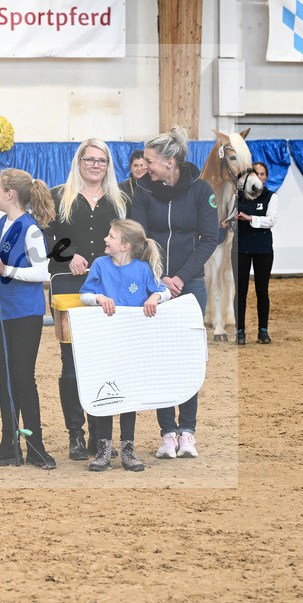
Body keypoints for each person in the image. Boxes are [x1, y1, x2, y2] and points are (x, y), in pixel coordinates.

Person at [130, 126, 218, 459]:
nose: (144, 166)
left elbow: (209, 239)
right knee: (160, 358)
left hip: (190, 284)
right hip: (154, 284)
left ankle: (188, 432)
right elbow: (139, 238)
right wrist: (159, 278)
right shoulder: (142, 189)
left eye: (150, 161)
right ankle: (167, 432)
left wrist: (180, 277)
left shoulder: (201, 190)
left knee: (187, 358)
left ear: (170, 162)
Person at [0, 169, 56, 469]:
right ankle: (9, 445)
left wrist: (7, 272)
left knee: (23, 378)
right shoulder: (4, 223)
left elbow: (41, 272)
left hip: (25, 313)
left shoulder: (30, 229)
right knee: (6, 379)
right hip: (1, 311)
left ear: (9, 194)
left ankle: (36, 447)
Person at [44, 138, 126, 462]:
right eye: (89, 159)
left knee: (103, 362)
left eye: (101, 161)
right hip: (69, 289)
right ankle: (75, 434)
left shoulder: (120, 201)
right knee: (71, 364)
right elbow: (42, 237)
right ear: (79, 162)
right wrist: (68, 255)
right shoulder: (57, 197)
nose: (95, 165)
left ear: (108, 165)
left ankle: (99, 435)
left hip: (110, 291)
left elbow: (131, 241)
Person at [79, 219, 171, 472]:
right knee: (107, 392)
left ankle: (128, 449)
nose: (105, 239)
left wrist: (155, 296)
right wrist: (98, 297)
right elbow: (84, 295)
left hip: (132, 343)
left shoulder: (142, 269)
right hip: (106, 342)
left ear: (125, 246)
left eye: (111, 236)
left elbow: (165, 291)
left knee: (128, 395)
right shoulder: (100, 264)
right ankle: (104, 449)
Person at [233, 162, 278, 345]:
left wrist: (250, 218)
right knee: (240, 291)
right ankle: (240, 331)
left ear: (266, 177)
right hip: (240, 248)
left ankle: (263, 331)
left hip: (263, 249)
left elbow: (271, 221)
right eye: (255, 173)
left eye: (262, 174)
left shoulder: (271, 197)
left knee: (262, 291)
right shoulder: (237, 197)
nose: (258, 177)